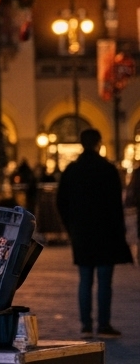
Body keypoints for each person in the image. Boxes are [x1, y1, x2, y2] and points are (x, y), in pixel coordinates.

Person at [56, 129, 131, 338]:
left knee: (85, 279)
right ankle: (104, 324)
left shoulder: (72, 170)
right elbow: (117, 205)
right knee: (105, 281)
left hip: (82, 233)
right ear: (98, 143)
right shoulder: (107, 169)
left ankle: (86, 325)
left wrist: (70, 227)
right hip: (106, 233)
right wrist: (119, 231)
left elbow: (61, 201)